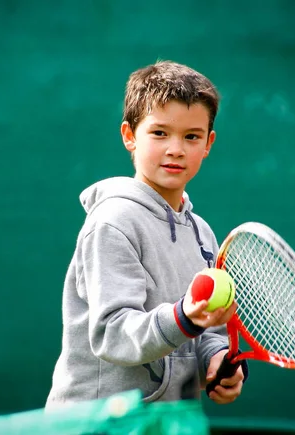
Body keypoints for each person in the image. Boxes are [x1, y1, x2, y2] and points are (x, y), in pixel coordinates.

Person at [46, 60, 247, 409]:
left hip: (167, 421)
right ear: (129, 136)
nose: (176, 149)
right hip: (95, 424)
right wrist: (183, 316)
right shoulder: (112, 222)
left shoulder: (202, 235)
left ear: (208, 143)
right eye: (159, 133)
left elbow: (205, 330)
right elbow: (113, 333)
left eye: (191, 136)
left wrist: (216, 361)